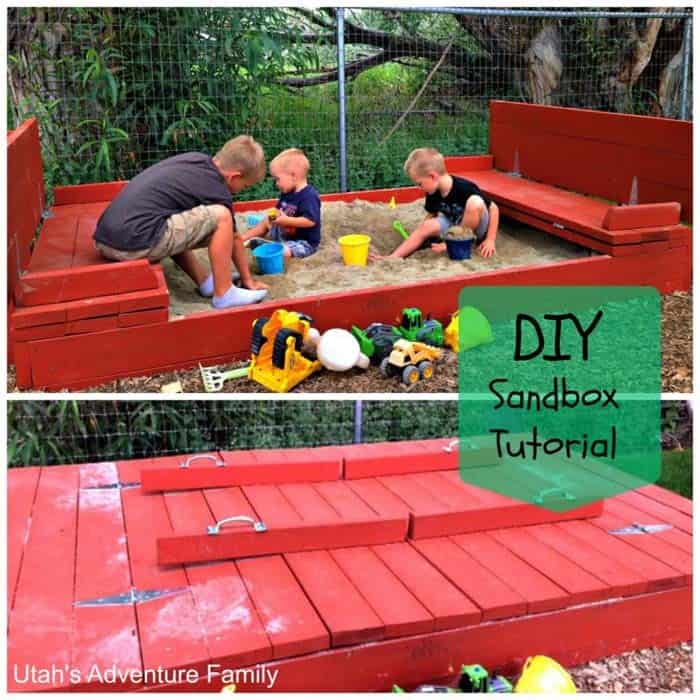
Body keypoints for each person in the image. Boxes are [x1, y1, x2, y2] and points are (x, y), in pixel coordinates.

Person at [93, 135, 269, 309]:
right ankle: (224, 293)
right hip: (131, 244)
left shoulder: (195, 160)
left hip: (107, 237)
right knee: (222, 218)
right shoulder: (217, 189)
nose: (241, 190)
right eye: (245, 185)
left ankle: (205, 282)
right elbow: (235, 239)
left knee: (176, 216)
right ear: (234, 177)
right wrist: (248, 281)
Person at [374, 147, 499, 260]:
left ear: (433, 176)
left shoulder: (464, 187)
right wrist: (422, 234)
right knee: (428, 225)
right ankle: (393, 256)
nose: (419, 188)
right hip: (454, 223)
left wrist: (490, 239)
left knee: (474, 202)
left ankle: (454, 242)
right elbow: (431, 216)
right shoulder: (432, 192)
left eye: (420, 183)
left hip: (476, 229)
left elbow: (493, 208)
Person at [241, 148, 321, 259]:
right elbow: (279, 211)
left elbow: (310, 221)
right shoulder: (287, 192)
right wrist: (273, 216)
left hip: (303, 242)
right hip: (285, 234)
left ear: (293, 176)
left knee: (286, 251)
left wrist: (286, 220)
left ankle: (267, 246)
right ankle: (242, 239)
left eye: (278, 179)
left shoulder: (309, 196)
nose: (276, 183)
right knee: (265, 220)